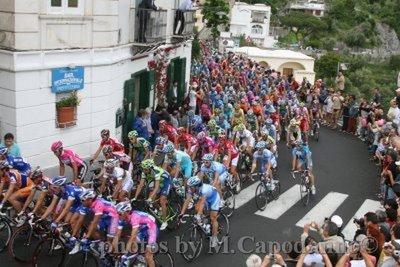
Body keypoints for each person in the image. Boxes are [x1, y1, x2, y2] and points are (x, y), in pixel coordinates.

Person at [179, 176, 220, 247]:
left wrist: (198, 215)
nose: (189, 188)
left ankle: (215, 238)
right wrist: (182, 213)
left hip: (214, 198)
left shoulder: (204, 190)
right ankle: (205, 222)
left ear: (196, 186)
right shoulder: (192, 189)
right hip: (205, 199)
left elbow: (202, 203)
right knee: (197, 208)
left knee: (213, 218)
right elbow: (187, 200)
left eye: (190, 187)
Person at [113, 202, 158, 267]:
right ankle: (139, 259)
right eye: (117, 213)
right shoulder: (122, 218)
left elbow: (133, 236)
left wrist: (125, 253)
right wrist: (114, 249)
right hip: (142, 229)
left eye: (119, 214)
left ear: (126, 212)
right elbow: (117, 235)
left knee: (148, 256)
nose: (118, 215)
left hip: (151, 228)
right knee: (133, 246)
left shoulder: (135, 217)